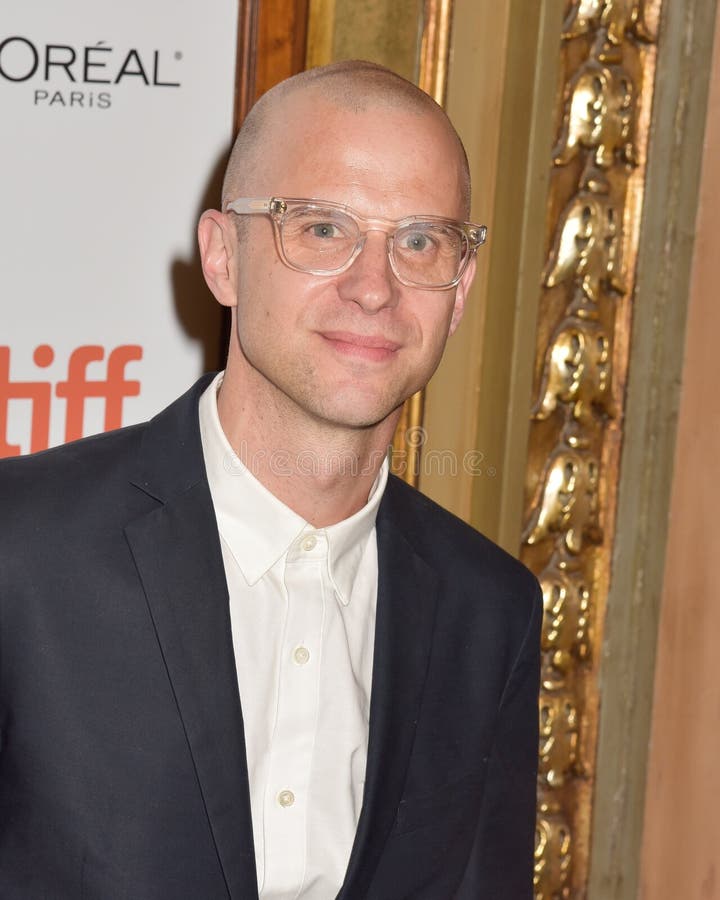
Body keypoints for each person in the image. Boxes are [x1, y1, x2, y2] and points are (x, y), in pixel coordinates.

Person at [0, 60, 541, 899]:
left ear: (460, 290)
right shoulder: (22, 551)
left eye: (421, 240)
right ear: (224, 257)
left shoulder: (489, 610)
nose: (374, 287)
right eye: (323, 229)